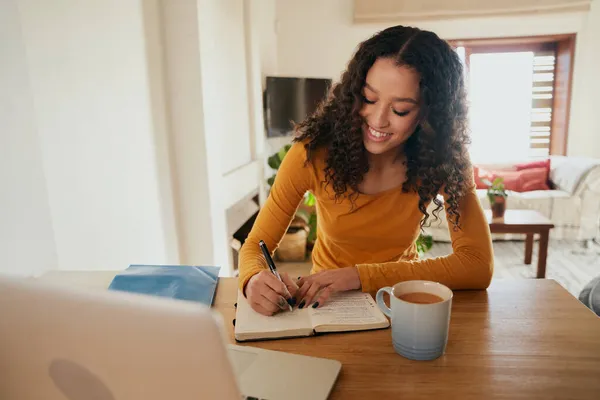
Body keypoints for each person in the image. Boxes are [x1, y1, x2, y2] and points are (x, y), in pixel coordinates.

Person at [239, 25, 494, 316]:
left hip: (400, 297)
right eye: (369, 99)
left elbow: (477, 264)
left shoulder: (444, 159)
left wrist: (359, 276)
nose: (378, 120)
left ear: (430, 115)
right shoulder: (311, 155)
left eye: (400, 110)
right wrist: (252, 280)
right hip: (327, 303)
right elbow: (252, 249)